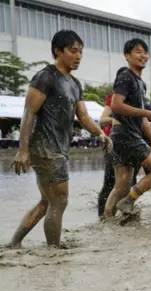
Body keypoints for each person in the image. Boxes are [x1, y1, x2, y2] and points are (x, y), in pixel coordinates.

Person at [7, 30, 112, 248]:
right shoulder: (46, 77)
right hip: (45, 148)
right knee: (60, 201)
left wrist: (100, 133)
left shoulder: (74, 84)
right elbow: (29, 112)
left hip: (60, 149)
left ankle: (14, 243)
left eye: (81, 52)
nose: (78, 56)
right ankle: (54, 252)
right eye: (73, 51)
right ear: (58, 51)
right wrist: (23, 150)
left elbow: (83, 116)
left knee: (48, 202)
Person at [103, 38, 151, 218]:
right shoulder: (125, 76)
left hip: (124, 137)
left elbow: (140, 118)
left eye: (145, 52)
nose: (144, 56)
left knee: (121, 186)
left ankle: (106, 224)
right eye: (138, 52)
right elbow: (116, 106)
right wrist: (147, 113)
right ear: (127, 56)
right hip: (126, 136)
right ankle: (129, 200)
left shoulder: (140, 83)